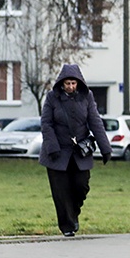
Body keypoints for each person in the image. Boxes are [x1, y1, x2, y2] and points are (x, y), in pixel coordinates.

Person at [39, 64, 112, 237]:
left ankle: (73, 213)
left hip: (80, 151)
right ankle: (67, 226)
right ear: (61, 84)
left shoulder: (87, 97)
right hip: (57, 152)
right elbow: (46, 124)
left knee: (82, 186)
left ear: (78, 83)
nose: (70, 87)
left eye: (73, 83)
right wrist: (52, 146)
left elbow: (95, 122)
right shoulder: (52, 98)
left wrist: (105, 148)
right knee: (61, 192)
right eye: (67, 83)